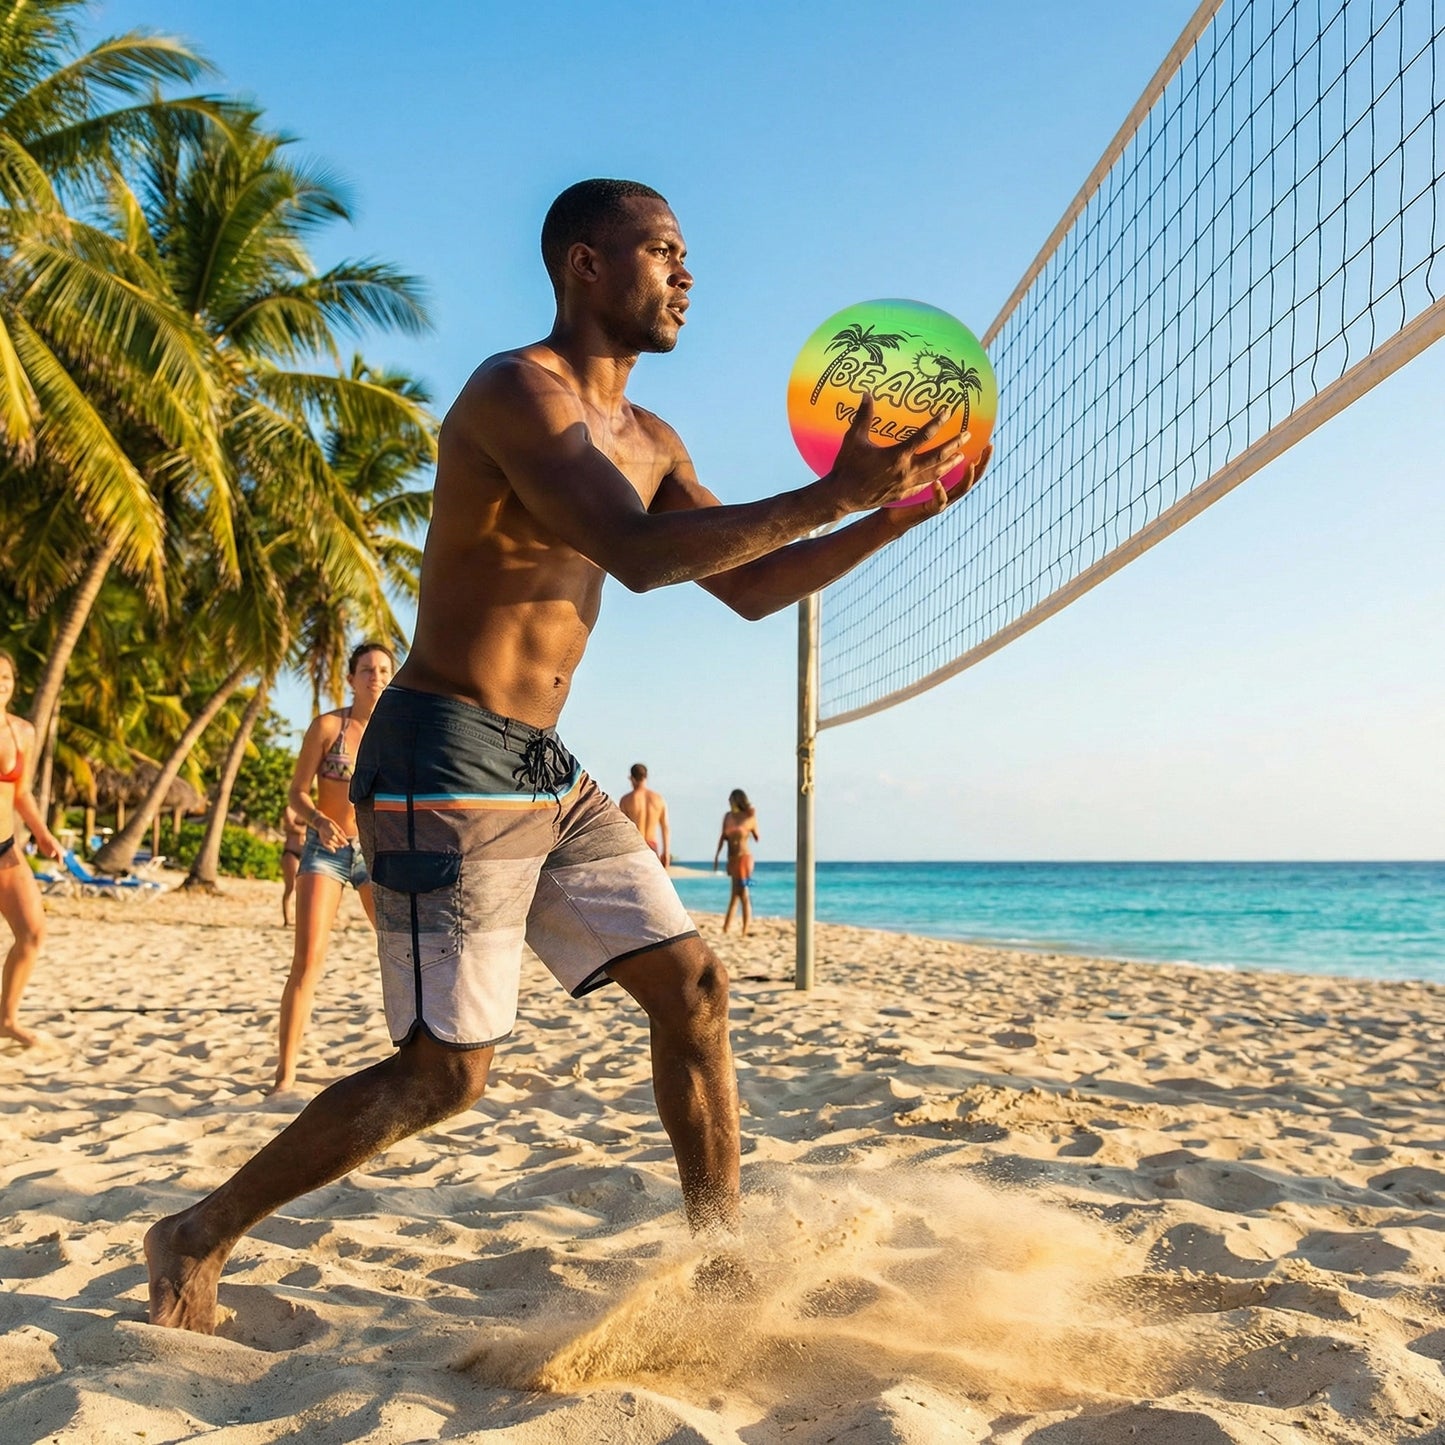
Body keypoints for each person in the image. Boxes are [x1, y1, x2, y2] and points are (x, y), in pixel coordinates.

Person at [146, 177, 990, 1333]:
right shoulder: (515, 391)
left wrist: (877, 519)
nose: (686, 272)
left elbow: (741, 588)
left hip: (538, 760)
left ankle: (721, 1266)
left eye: (687, 253)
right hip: (441, 752)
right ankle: (197, 1230)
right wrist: (829, 489)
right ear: (584, 264)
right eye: (662, 250)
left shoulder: (653, 436)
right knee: (445, 1075)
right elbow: (639, 554)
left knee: (693, 985)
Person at [270, 643, 395, 1094]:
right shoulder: (328, 726)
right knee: (307, 960)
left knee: (401, 953)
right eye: (366, 670)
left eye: (383, 670)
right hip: (326, 848)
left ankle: (413, 1058)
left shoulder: (399, 733)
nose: (375, 677)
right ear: (351, 678)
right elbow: (296, 793)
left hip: (378, 853)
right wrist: (318, 820)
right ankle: (285, 1074)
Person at [0, 650, 64, 1047]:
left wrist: (42, 834)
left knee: (33, 932)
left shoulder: (22, 731)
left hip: (6, 849)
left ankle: (6, 1018)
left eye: (5, 677)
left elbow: (20, 792)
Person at [713, 789, 759, 935]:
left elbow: (757, 836)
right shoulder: (727, 816)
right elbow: (722, 837)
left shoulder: (748, 817)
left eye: (731, 799)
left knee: (743, 893)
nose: (729, 802)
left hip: (744, 858)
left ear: (737, 800)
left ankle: (742, 929)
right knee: (735, 894)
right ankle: (727, 928)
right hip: (732, 859)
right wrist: (717, 856)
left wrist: (750, 821)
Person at [619, 762, 670, 865]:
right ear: (646, 777)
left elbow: (620, 828)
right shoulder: (658, 799)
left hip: (634, 846)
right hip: (652, 847)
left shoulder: (626, 800)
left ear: (632, 778)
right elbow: (665, 828)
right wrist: (666, 853)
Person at [278, 804, 306, 928]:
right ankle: (287, 919)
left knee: (304, 888)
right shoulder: (290, 809)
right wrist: (305, 829)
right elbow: (289, 826)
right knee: (291, 887)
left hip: (305, 853)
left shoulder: (308, 809)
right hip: (291, 851)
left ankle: (300, 919)